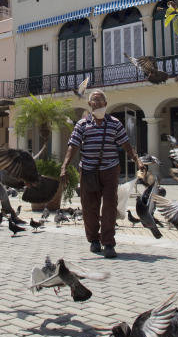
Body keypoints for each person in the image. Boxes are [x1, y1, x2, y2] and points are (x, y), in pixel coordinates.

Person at [60, 90, 144, 259]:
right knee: (89, 206)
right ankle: (94, 240)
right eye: (94, 101)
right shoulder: (82, 125)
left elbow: (126, 144)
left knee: (109, 206)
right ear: (90, 105)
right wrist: (64, 167)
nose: (97, 104)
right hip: (89, 170)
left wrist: (137, 160)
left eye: (100, 101)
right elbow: (73, 146)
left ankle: (108, 243)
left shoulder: (114, 123)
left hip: (110, 169)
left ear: (106, 104)